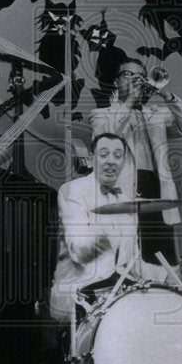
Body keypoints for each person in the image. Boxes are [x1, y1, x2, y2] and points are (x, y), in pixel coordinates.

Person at [89, 58, 182, 263]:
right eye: (128, 74)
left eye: (140, 76)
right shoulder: (101, 114)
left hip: (156, 186)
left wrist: (163, 93)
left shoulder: (155, 114)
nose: (135, 79)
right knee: (126, 258)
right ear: (116, 82)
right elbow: (105, 138)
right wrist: (129, 101)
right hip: (122, 188)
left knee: (162, 258)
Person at [49, 133, 164, 323]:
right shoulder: (72, 191)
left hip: (113, 295)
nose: (111, 161)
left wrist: (166, 273)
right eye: (104, 154)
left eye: (118, 156)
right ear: (92, 159)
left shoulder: (126, 202)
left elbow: (131, 264)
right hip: (79, 293)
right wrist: (109, 225)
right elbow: (79, 252)